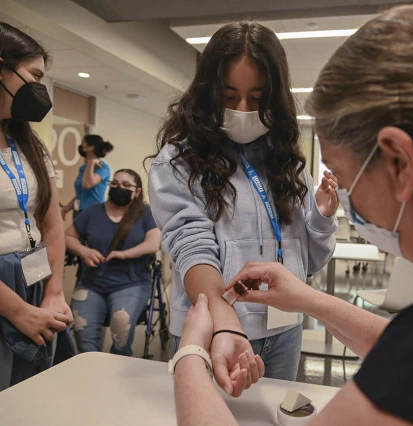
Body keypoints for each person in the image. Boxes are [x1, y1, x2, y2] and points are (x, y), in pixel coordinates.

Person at [170, 1, 413, 424]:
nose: (343, 192)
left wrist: (190, 356)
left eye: (341, 174)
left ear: (399, 161)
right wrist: (310, 299)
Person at [149, 21, 338, 394]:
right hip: (214, 328)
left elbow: (307, 263)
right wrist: (224, 321)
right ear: (208, 92)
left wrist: (322, 218)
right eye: (229, 95)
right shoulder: (178, 160)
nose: (242, 109)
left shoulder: (283, 157)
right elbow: (191, 246)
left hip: (283, 330)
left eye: (256, 98)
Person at [0, 22, 73, 390]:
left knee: (35, 392)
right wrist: (19, 312)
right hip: (5, 292)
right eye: (34, 75)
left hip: (35, 277)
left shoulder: (28, 144)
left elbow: (52, 223)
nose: (40, 88)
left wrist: (55, 291)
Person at [65, 169, 160, 356]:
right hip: (92, 283)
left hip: (131, 283)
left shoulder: (145, 213)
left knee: (121, 328)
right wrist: (84, 251)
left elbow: (153, 244)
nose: (119, 188)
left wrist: (123, 254)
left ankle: (117, 368)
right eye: (115, 184)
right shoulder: (93, 211)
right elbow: (68, 237)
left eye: (126, 185)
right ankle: (92, 374)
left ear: (137, 191)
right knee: (82, 332)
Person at [60, 134, 113, 219]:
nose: (81, 145)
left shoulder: (103, 168)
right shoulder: (83, 168)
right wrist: (65, 209)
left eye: (83, 143)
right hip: (79, 212)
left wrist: (91, 163)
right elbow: (80, 194)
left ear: (91, 147)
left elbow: (87, 184)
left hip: (94, 213)